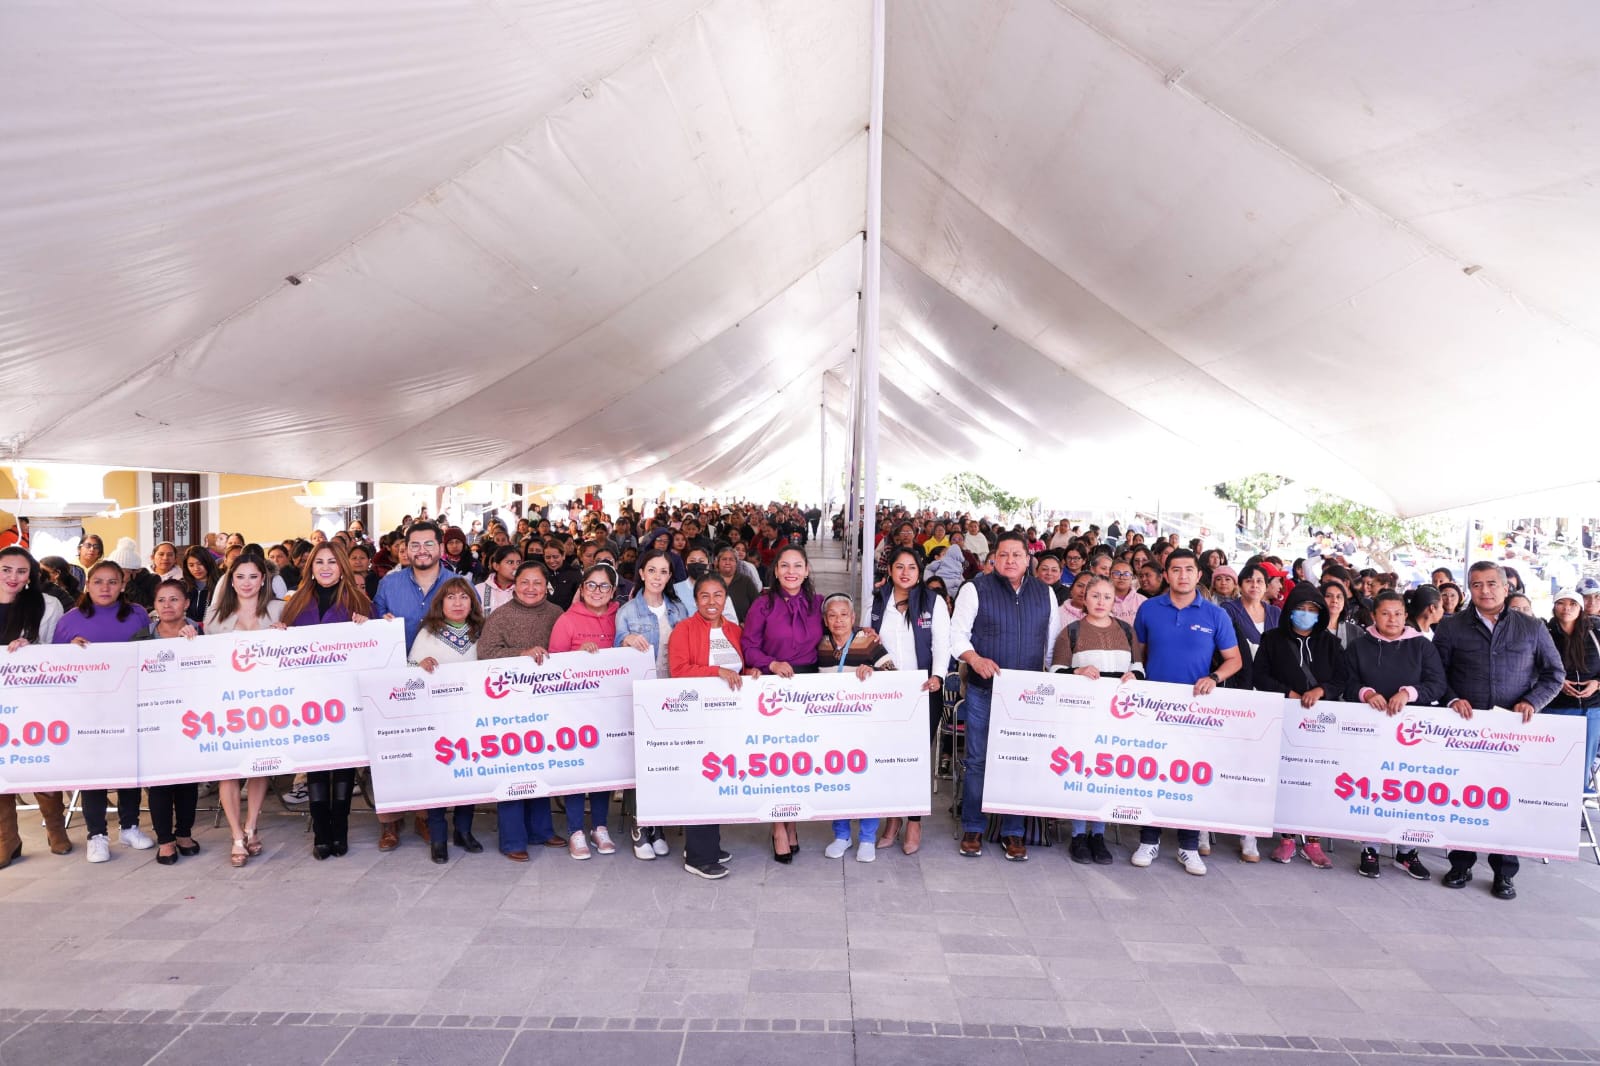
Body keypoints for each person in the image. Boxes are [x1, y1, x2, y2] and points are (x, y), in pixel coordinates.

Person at [1432, 562, 1565, 900]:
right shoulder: (1451, 628)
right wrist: (1450, 699)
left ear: (1507, 588)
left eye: (1492, 583)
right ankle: (1460, 864)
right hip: (1466, 731)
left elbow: (1554, 674)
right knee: (1465, 798)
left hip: (1512, 734)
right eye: (1477, 585)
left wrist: (1532, 702)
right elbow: (1435, 674)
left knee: (1505, 803)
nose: (1485, 590)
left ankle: (1504, 872)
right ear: (1469, 589)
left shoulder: (1531, 627)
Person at [949, 531, 1062, 861]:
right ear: (993, 559)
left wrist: (1052, 680)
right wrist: (974, 659)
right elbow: (958, 635)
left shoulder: (1045, 593)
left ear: (1029, 559)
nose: (1010, 560)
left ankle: (1014, 832)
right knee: (977, 761)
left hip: (1027, 697)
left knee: (1020, 762)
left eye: (1017, 555)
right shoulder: (975, 589)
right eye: (1004, 555)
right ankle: (973, 826)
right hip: (985, 692)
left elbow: (1053, 644)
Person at [1132, 549, 1243, 875]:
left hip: (1196, 709)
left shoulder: (1215, 615)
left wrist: (1214, 677)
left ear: (1198, 575)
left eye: (1189, 570)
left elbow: (1233, 660)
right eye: (1175, 570)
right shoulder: (1149, 609)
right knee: (1151, 771)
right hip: (1152, 706)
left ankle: (1188, 845)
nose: (1182, 575)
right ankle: (1148, 839)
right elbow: (1138, 653)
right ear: (1165, 575)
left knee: (1190, 775)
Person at [55, 559, 156, 863]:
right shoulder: (69, 620)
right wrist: (70, 649)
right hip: (88, 708)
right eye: (98, 581)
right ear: (88, 584)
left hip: (128, 703)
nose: (105, 588)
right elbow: (55, 665)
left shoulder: (138, 615)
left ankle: (129, 826)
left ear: (123, 584)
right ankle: (96, 834)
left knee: (129, 767)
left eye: (112, 581)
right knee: (94, 771)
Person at [1342, 590, 1448, 879]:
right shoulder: (1359, 646)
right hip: (1371, 733)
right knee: (1373, 789)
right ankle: (1370, 848)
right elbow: (1347, 683)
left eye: (1398, 613)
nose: (1393, 619)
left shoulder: (1422, 646)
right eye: (1386, 613)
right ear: (1374, 616)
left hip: (1411, 734)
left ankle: (1406, 852)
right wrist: (1366, 693)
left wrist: (1408, 693)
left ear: (1406, 615)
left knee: (1408, 790)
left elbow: (1437, 685)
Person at [279, 543, 371, 859]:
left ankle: (340, 831)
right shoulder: (295, 603)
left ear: (343, 565)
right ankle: (321, 833)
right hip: (308, 701)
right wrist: (278, 633)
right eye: (319, 561)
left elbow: (373, 647)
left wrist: (369, 626)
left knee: (343, 770)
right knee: (316, 768)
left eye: (332, 561)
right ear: (310, 567)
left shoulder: (359, 601)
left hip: (345, 699)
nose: (326, 567)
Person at [1251, 586, 1350, 868]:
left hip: (1321, 721)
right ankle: (1287, 838)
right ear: (1290, 610)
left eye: (1312, 610)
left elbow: (1342, 678)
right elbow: (1261, 675)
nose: (1306, 615)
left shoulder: (1330, 643)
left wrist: (1321, 691)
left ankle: (1314, 842)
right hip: (1285, 718)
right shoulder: (1272, 639)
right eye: (1301, 609)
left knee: (1317, 780)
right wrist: (1290, 694)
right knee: (1287, 777)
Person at [1048, 573, 1143, 865]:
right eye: (1095, 596)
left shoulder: (1127, 631)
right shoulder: (1071, 631)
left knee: (1107, 772)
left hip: (1116, 716)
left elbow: (1139, 668)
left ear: (1115, 600)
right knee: (1082, 771)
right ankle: (1078, 834)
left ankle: (1098, 834)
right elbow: (1055, 672)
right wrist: (1075, 672)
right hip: (1081, 716)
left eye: (1107, 596)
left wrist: (1134, 676)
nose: (1101, 602)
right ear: (1084, 598)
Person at [372, 521, 454, 850]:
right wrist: (381, 625)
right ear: (405, 549)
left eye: (428, 544)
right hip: (395, 682)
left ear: (440, 548)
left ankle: (425, 815)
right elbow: (373, 631)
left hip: (440, 682)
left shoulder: (457, 583)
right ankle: (390, 822)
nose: (421, 551)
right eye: (414, 545)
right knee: (391, 751)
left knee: (430, 751)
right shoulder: (389, 585)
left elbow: (473, 625)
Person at [741, 545, 826, 863]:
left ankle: (792, 822)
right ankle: (779, 826)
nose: (791, 571)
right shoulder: (763, 605)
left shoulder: (818, 604)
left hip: (808, 689)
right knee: (777, 760)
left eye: (797, 566)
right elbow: (748, 646)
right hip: (773, 687)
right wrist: (772, 664)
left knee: (800, 761)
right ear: (775, 571)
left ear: (806, 571)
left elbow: (841, 632)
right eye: (784, 566)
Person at [480, 561, 566, 861]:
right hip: (509, 706)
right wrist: (521, 654)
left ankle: (541, 830)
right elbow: (486, 654)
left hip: (547, 704)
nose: (531, 588)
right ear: (514, 585)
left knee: (542, 767)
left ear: (546, 586)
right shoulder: (500, 617)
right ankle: (513, 839)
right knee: (514, 771)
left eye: (537, 583)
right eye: (525, 582)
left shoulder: (558, 614)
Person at [204, 554, 283, 867]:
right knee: (229, 769)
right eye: (240, 577)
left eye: (253, 577)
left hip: (267, 700)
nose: (247, 583)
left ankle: (251, 826)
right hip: (228, 702)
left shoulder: (279, 609)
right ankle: (236, 835)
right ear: (230, 580)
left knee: (258, 766)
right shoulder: (214, 617)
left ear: (262, 579)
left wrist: (285, 633)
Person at [871, 548, 950, 855]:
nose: (905, 573)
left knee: (916, 758)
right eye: (899, 567)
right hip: (887, 692)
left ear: (920, 571)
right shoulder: (878, 601)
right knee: (889, 757)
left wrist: (939, 677)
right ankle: (892, 819)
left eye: (912, 568)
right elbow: (869, 641)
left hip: (923, 689)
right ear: (889, 570)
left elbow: (941, 643)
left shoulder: (933, 602)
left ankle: (914, 820)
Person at [615, 549, 691, 860]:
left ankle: (657, 825)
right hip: (641, 696)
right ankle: (638, 826)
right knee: (640, 763)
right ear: (641, 573)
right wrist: (624, 640)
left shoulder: (679, 608)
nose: (658, 576)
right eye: (652, 570)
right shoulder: (628, 612)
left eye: (664, 571)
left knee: (665, 764)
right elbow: (615, 653)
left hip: (672, 696)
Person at [0, 547, 71, 867]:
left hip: (33, 696)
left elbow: (57, 651)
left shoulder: (47, 604)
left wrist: (33, 648)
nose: (13, 577)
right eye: (6, 570)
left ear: (31, 574)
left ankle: (56, 828)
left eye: (20, 571)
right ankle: (7, 838)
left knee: (41, 759)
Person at [548, 563, 623, 860]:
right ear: (581, 588)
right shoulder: (566, 620)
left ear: (613, 592)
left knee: (604, 769)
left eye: (604, 586)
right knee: (578, 768)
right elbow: (554, 665)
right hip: (575, 709)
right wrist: (576, 658)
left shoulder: (620, 617)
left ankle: (600, 826)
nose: (597, 591)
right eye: (590, 585)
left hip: (610, 707)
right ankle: (576, 830)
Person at [410, 577, 485, 864]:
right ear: (440, 603)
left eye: (463, 597)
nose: (457, 603)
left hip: (471, 715)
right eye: (450, 597)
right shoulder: (427, 633)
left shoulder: (481, 631)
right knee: (438, 777)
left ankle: (463, 831)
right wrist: (422, 666)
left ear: (472, 602)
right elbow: (410, 671)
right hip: (436, 717)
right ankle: (438, 836)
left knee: (469, 775)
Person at [816, 594, 893, 862]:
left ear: (853, 617)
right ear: (825, 620)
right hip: (833, 728)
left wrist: (872, 672)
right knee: (836, 779)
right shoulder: (822, 645)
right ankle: (842, 835)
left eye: (844, 614)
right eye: (832, 615)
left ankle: (868, 837)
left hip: (864, 727)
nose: (838, 620)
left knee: (866, 779)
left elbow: (893, 674)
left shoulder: (868, 641)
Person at [133, 579, 202, 865]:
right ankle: (165, 840)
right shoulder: (142, 638)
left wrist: (194, 645)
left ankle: (184, 833)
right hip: (154, 719)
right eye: (162, 600)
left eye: (174, 599)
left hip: (191, 718)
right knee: (160, 782)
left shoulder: (201, 633)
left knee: (188, 781)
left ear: (186, 603)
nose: (167, 606)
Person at [1547, 589, 1600, 800]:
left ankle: (1578, 807)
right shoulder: (1546, 632)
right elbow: (1535, 666)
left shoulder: (1595, 633)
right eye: (1561, 603)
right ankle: (1556, 804)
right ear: (1554, 606)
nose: (1567, 608)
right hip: (1556, 707)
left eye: (1573, 604)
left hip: (1592, 708)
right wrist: (1557, 683)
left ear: (1580, 609)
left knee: (1584, 761)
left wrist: (1597, 684)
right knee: (1557, 760)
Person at [1222, 563, 1281, 659]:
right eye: (1249, 581)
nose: (1255, 585)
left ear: (1266, 586)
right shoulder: (1228, 610)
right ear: (1240, 586)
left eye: (1259, 581)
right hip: (1241, 670)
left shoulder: (1275, 612)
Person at [713, 546, 759, 621]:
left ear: (736, 563)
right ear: (718, 563)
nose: (727, 562)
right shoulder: (710, 581)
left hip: (742, 628)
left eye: (731, 559)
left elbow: (757, 605)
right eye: (724, 559)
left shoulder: (746, 581)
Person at [475, 545, 521, 615]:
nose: (516, 567)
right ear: (496, 566)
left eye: (518, 563)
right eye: (510, 562)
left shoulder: (525, 590)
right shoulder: (478, 590)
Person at [1319, 579, 1364, 648]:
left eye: (1339, 597)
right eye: (1328, 596)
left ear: (1344, 602)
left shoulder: (1356, 631)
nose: (1334, 600)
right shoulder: (1312, 629)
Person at [1109, 559, 1144, 624]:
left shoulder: (1142, 601)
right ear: (1110, 576)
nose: (1121, 577)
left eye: (1126, 574)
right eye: (1117, 573)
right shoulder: (1103, 600)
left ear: (1132, 577)